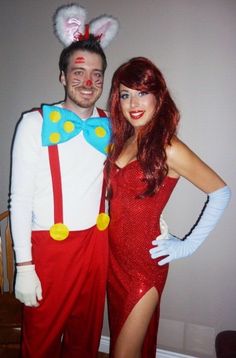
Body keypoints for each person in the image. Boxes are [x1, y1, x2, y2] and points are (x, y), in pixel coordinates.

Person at [9, 4, 119, 358]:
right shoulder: (34, 123)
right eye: (79, 72)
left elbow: (129, 176)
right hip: (50, 248)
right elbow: (20, 200)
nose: (88, 83)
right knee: (39, 344)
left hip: (96, 244)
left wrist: (153, 210)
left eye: (97, 75)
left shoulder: (111, 125)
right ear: (62, 76)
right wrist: (23, 266)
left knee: (84, 342)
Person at [105, 56, 231, 358]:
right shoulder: (121, 141)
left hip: (144, 267)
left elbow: (220, 193)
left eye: (141, 92)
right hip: (113, 260)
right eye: (125, 94)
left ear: (158, 96)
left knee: (122, 354)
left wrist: (186, 246)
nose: (133, 102)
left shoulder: (169, 147)